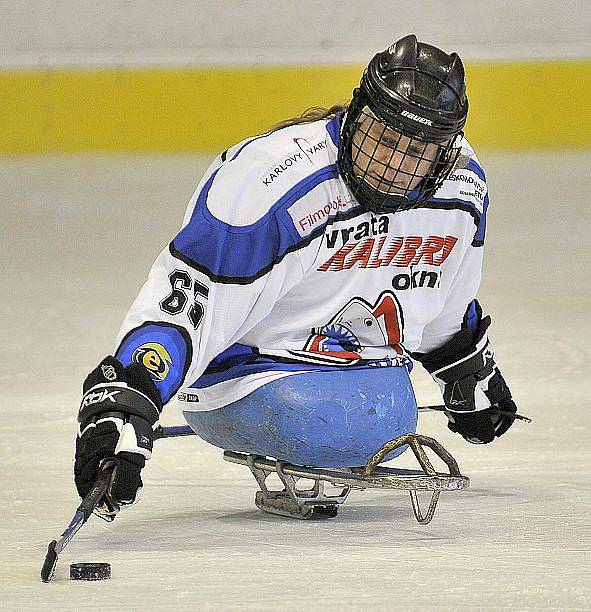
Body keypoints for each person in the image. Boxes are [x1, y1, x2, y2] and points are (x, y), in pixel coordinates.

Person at [74, 34, 518, 519]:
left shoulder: (462, 189)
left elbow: (438, 291)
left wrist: (464, 370)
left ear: (445, 153)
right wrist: (127, 397)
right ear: (355, 114)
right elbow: (190, 297)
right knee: (360, 417)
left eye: (416, 151)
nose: (392, 164)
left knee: (378, 412)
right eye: (384, 137)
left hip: (355, 367)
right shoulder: (270, 181)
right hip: (245, 381)